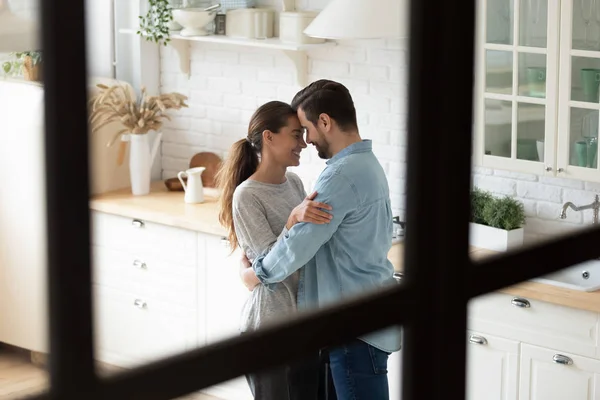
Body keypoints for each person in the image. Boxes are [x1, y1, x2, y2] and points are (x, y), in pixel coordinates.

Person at [240, 80, 402, 400]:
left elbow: (299, 245)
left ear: (325, 122)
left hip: (351, 327)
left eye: (306, 129)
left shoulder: (340, 174)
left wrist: (255, 274)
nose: (307, 140)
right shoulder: (368, 164)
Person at [214, 100, 335, 400]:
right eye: (295, 134)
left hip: (302, 324)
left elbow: (306, 247)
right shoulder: (247, 196)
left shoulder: (293, 182)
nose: (303, 143)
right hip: (270, 330)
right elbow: (270, 264)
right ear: (269, 137)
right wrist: (293, 219)